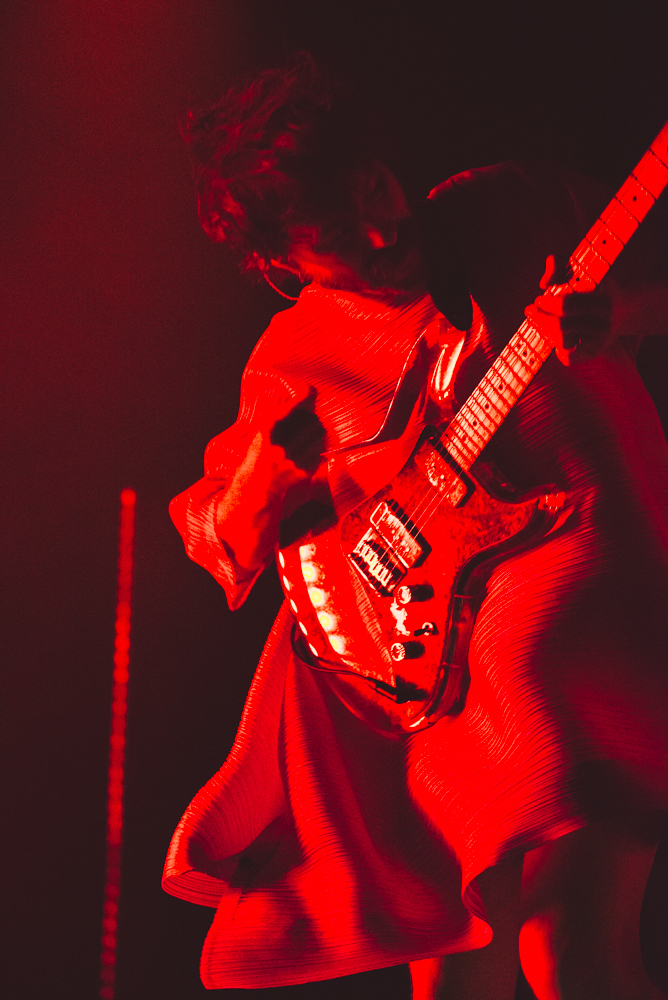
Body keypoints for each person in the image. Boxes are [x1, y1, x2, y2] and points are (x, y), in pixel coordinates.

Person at [163, 55, 668, 999]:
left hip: (588, 637)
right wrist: (266, 478)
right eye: (338, 234)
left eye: (376, 190)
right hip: (444, 694)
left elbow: (659, 279)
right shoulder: (289, 360)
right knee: (456, 987)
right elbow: (217, 540)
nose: (383, 227)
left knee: (573, 959)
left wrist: (620, 312)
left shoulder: (505, 208)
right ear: (282, 263)